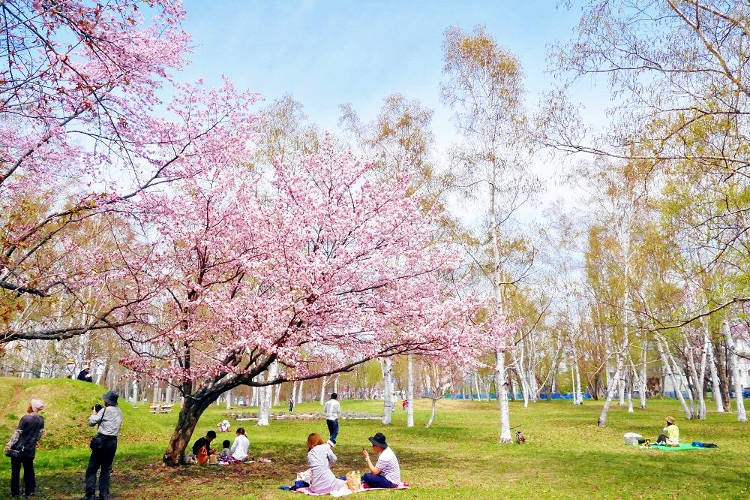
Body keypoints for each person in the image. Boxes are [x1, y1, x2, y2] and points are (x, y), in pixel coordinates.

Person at [84, 391, 123, 500]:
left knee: (92, 468)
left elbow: (91, 422)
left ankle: (90, 494)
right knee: (106, 469)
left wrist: (94, 413)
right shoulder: (120, 411)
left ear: (107, 401)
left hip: (102, 441)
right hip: (113, 442)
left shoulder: (104, 411)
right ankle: (104, 494)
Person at [5, 399, 44, 498]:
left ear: (32, 407)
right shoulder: (41, 419)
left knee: (15, 471)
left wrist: (9, 444)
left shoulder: (25, 418)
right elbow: (40, 433)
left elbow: (17, 434)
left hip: (18, 449)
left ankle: (15, 493)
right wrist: (35, 441)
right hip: (30, 450)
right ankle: (29, 491)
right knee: (29, 470)